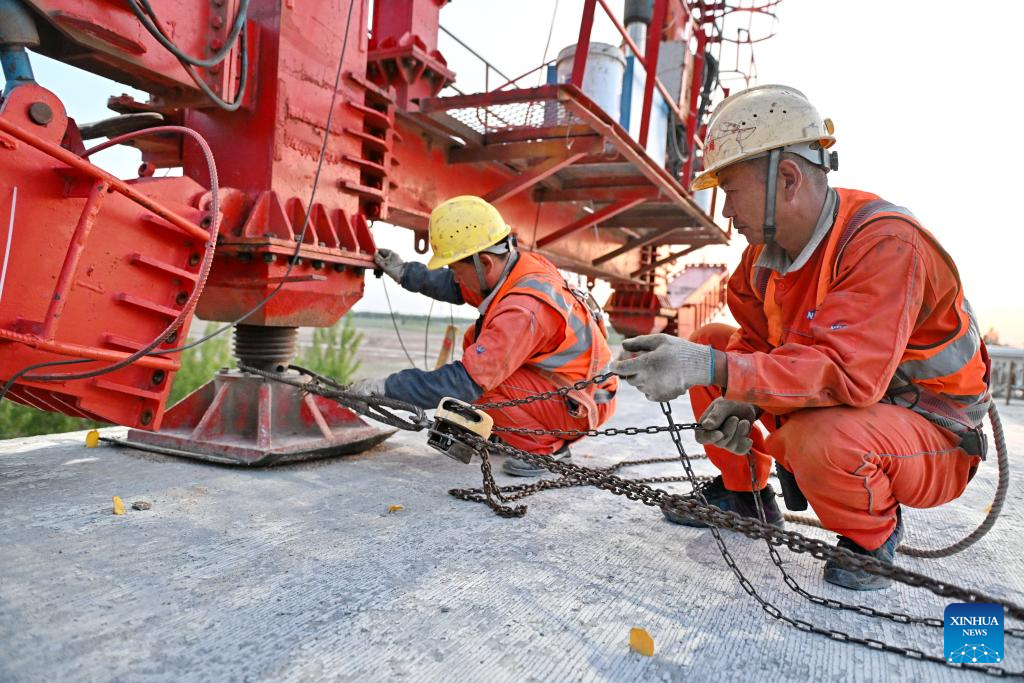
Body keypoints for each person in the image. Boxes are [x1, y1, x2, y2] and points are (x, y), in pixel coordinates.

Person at [610, 85, 991, 591]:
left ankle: (871, 539)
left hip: (931, 431)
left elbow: (848, 374)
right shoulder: (761, 260)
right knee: (712, 340)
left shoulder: (885, 243)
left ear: (787, 179)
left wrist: (714, 370)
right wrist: (741, 399)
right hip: (853, 404)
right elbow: (750, 345)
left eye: (732, 191)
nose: (727, 211)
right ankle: (745, 496)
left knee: (821, 437)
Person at [355, 195, 619, 476]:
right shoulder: (515, 270)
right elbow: (457, 286)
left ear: (485, 263)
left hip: (581, 405)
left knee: (482, 383)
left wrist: (387, 388)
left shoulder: (523, 308)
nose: (455, 277)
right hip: (577, 389)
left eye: (456, 269)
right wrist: (406, 273)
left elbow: (464, 384)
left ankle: (546, 449)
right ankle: (517, 430)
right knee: (478, 346)